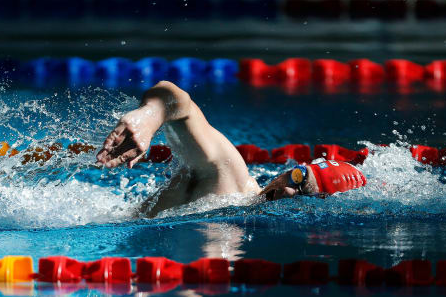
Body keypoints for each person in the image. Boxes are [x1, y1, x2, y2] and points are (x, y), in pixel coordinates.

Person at [96, 81, 366, 217]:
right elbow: (176, 98)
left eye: (302, 194)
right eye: (297, 177)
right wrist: (150, 116)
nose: (287, 190)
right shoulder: (229, 177)